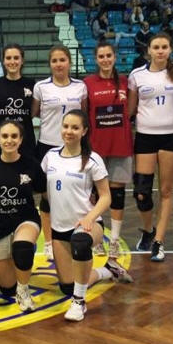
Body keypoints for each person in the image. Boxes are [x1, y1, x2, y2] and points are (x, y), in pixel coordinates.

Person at [41, 110, 121, 322]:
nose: (69, 131)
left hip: (87, 225)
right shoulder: (50, 157)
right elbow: (44, 196)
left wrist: (90, 217)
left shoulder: (93, 160)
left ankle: (79, 302)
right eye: (66, 126)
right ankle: (106, 271)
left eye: (75, 127)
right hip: (59, 228)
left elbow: (106, 196)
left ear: (84, 131)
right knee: (67, 285)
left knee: (80, 242)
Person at [127, 32, 173, 262]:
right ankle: (148, 230)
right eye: (156, 47)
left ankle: (159, 241)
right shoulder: (137, 75)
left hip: (172, 136)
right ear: (149, 50)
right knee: (142, 192)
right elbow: (130, 110)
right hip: (145, 136)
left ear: (171, 49)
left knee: (166, 190)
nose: (160, 51)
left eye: (165, 46)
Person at [32, 45, 88, 261]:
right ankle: (49, 242)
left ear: (69, 62)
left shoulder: (80, 87)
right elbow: (34, 113)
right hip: (48, 145)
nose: (58, 64)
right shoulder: (41, 87)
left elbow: (83, 115)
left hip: (74, 147)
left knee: (75, 193)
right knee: (47, 198)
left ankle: (80, 234)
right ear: (50, 64)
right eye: (54, 60)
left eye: (62, 60)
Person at [0, 120, 45, 312]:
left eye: (14, 136)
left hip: (25, 219)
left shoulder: (31, 164)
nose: (9, 140)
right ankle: (16, 282)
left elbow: (43, 192)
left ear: (21, 139)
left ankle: (24, 290)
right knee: (7, 288)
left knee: (22, 247)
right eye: (5, 136)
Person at [84, 43, 134, 279]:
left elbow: (130, 111)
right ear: (96, 59)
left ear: (115, 57)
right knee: (95, 194)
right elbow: (85, 113)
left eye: (109, 56)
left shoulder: (124, 82)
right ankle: (97, 237)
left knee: (117, 194)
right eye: (101, 56)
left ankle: (114, 240)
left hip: (121, 144)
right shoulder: (88, 83)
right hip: (97, 146)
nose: (105, 59)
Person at [0, 44, 36, 158]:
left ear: (22, 61)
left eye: (16, 58)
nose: (12, 61)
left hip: (25, 141)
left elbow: (33, 113)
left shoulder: (31, 84)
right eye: (8, 58)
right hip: (1, 141)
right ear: (3, 61)